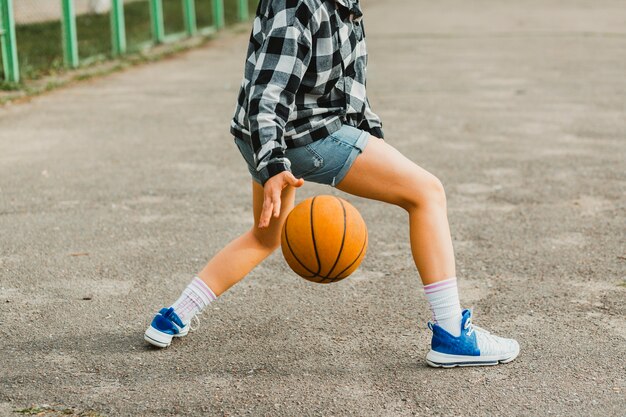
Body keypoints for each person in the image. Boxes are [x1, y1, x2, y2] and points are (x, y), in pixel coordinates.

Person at [144, 0, 519, 367]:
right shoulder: (298, 5)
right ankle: (453, 334)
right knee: (427, 193)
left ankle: (174, 316)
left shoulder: (343, 5)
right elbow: (267, 92)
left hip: (267, 137)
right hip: (302, 137)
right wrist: (274, 165)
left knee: (264, 236)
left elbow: (349, 88)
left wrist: (373, 141)